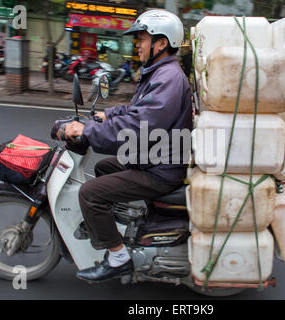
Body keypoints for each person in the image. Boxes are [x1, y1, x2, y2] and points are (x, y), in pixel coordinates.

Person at [60, 9, 193, 283]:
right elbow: (136, 111)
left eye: (142, 38)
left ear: (161, 42)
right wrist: (107, 115)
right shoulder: (158, 73)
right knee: (105, 166)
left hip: (160, 168)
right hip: (155, 157)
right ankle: (121, 224)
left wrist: (88, 131)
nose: (138, 44)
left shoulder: (168, 78)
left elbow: (139, 127)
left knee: (90, 194)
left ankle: (118, 257)